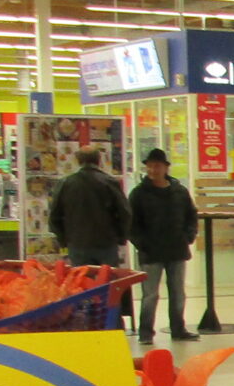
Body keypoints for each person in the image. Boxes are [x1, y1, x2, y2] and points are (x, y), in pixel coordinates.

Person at [128, 147, 197, 343]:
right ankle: (146, 333)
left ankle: (178, 329)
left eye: (156, 166)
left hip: (177, 249)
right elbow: (131, 224)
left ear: (166, 168)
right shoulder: (138, 194)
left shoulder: (179, 191)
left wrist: (188, 237)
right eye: (149, 167)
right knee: (150, 294)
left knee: (178, 292)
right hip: (151, 252)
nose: (152, 170)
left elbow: (191, 216)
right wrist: (141, 244)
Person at [48, 146, 130, 270]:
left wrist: (64, 240)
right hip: (106, 243)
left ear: (77, 160)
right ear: (99, 160)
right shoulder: (110, 182)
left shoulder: (65, 184)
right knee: (106, 282)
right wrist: (120, 237)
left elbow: (54, 216)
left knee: (83, 283)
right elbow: (125, 213)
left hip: (77, 243)